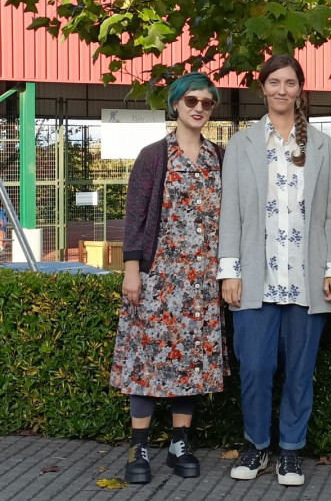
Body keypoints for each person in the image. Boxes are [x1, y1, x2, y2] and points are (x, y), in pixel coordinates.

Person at [217, 54, 331, 487]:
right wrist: (229, 271)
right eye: (274, 82)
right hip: (255, 279)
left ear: (299, 89)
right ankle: (256, 445)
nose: (282, 90)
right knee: (253, 366)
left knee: (299, 370)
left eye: (290, 83)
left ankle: (290, 451)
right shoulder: (242, 144)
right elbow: (229, 214)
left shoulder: (323, 146)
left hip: (306, 280)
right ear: (263, 89)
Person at [110, 71, 226, 485]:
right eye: (191, 101)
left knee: (190, 363)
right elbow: (135, 217)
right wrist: (131, 270)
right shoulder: (154, 156)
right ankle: (138, 446)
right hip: (158, 279)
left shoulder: (220, 157)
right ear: (176, 104)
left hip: (201, 282)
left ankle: (180, 443)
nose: (198, 108)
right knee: (145, 360)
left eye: (207, 103)